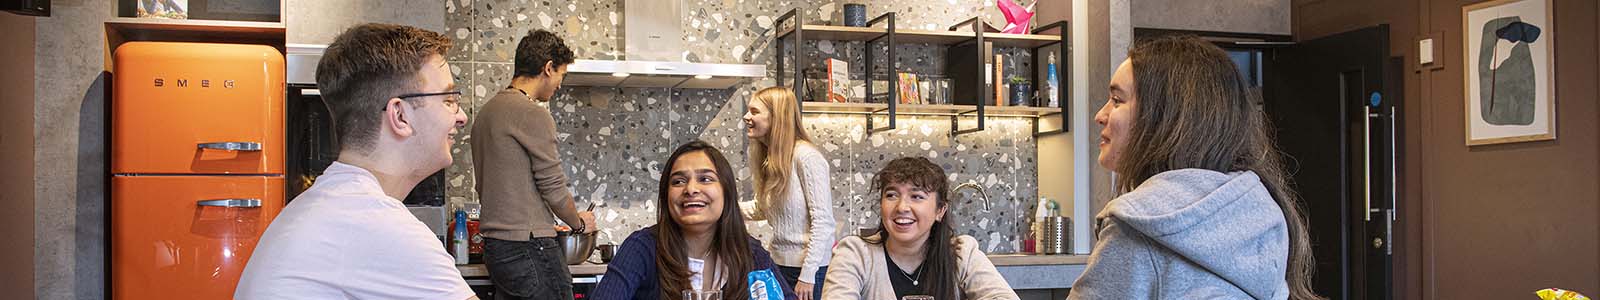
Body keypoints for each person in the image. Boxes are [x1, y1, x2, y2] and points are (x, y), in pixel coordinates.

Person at [1067, 35, 1321, 300]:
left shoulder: (1135, 228)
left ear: (1163, 116)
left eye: (1117, 100)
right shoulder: (1264, 216)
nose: (1100, 115)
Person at [234, 23, 473, 299]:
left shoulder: (325, 206)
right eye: (448, 100)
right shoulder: (376, 223)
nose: (461, 117)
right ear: (400, 116)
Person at [471, 29, 596, 300]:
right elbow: (553, 187)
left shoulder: (486, 114)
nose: (559, 85)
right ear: (548, 68)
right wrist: (579, 223)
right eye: (561, 75)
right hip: (528, 247)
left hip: (496, 249)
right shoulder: (532, 114)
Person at [591, 141, 798, 300]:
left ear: (726, 191)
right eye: (678, 181)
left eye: (705, 179)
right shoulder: (642, 248)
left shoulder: (750, 253)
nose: (690, 189)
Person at [822, 157, 1019, 300]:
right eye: (891, 195)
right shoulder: (855, 253)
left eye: (916, 196)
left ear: (940, 211)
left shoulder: (962, 253)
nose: (901, 207)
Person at [741, 86, 835, 300]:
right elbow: (762, 208)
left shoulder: (807, 157)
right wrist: (721, 206)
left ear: (776, 117)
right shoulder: (772, 159)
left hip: (807, 272)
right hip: (778, 266)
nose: (746, 117)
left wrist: (807, 276)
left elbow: (823, 222)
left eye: (754, 111)